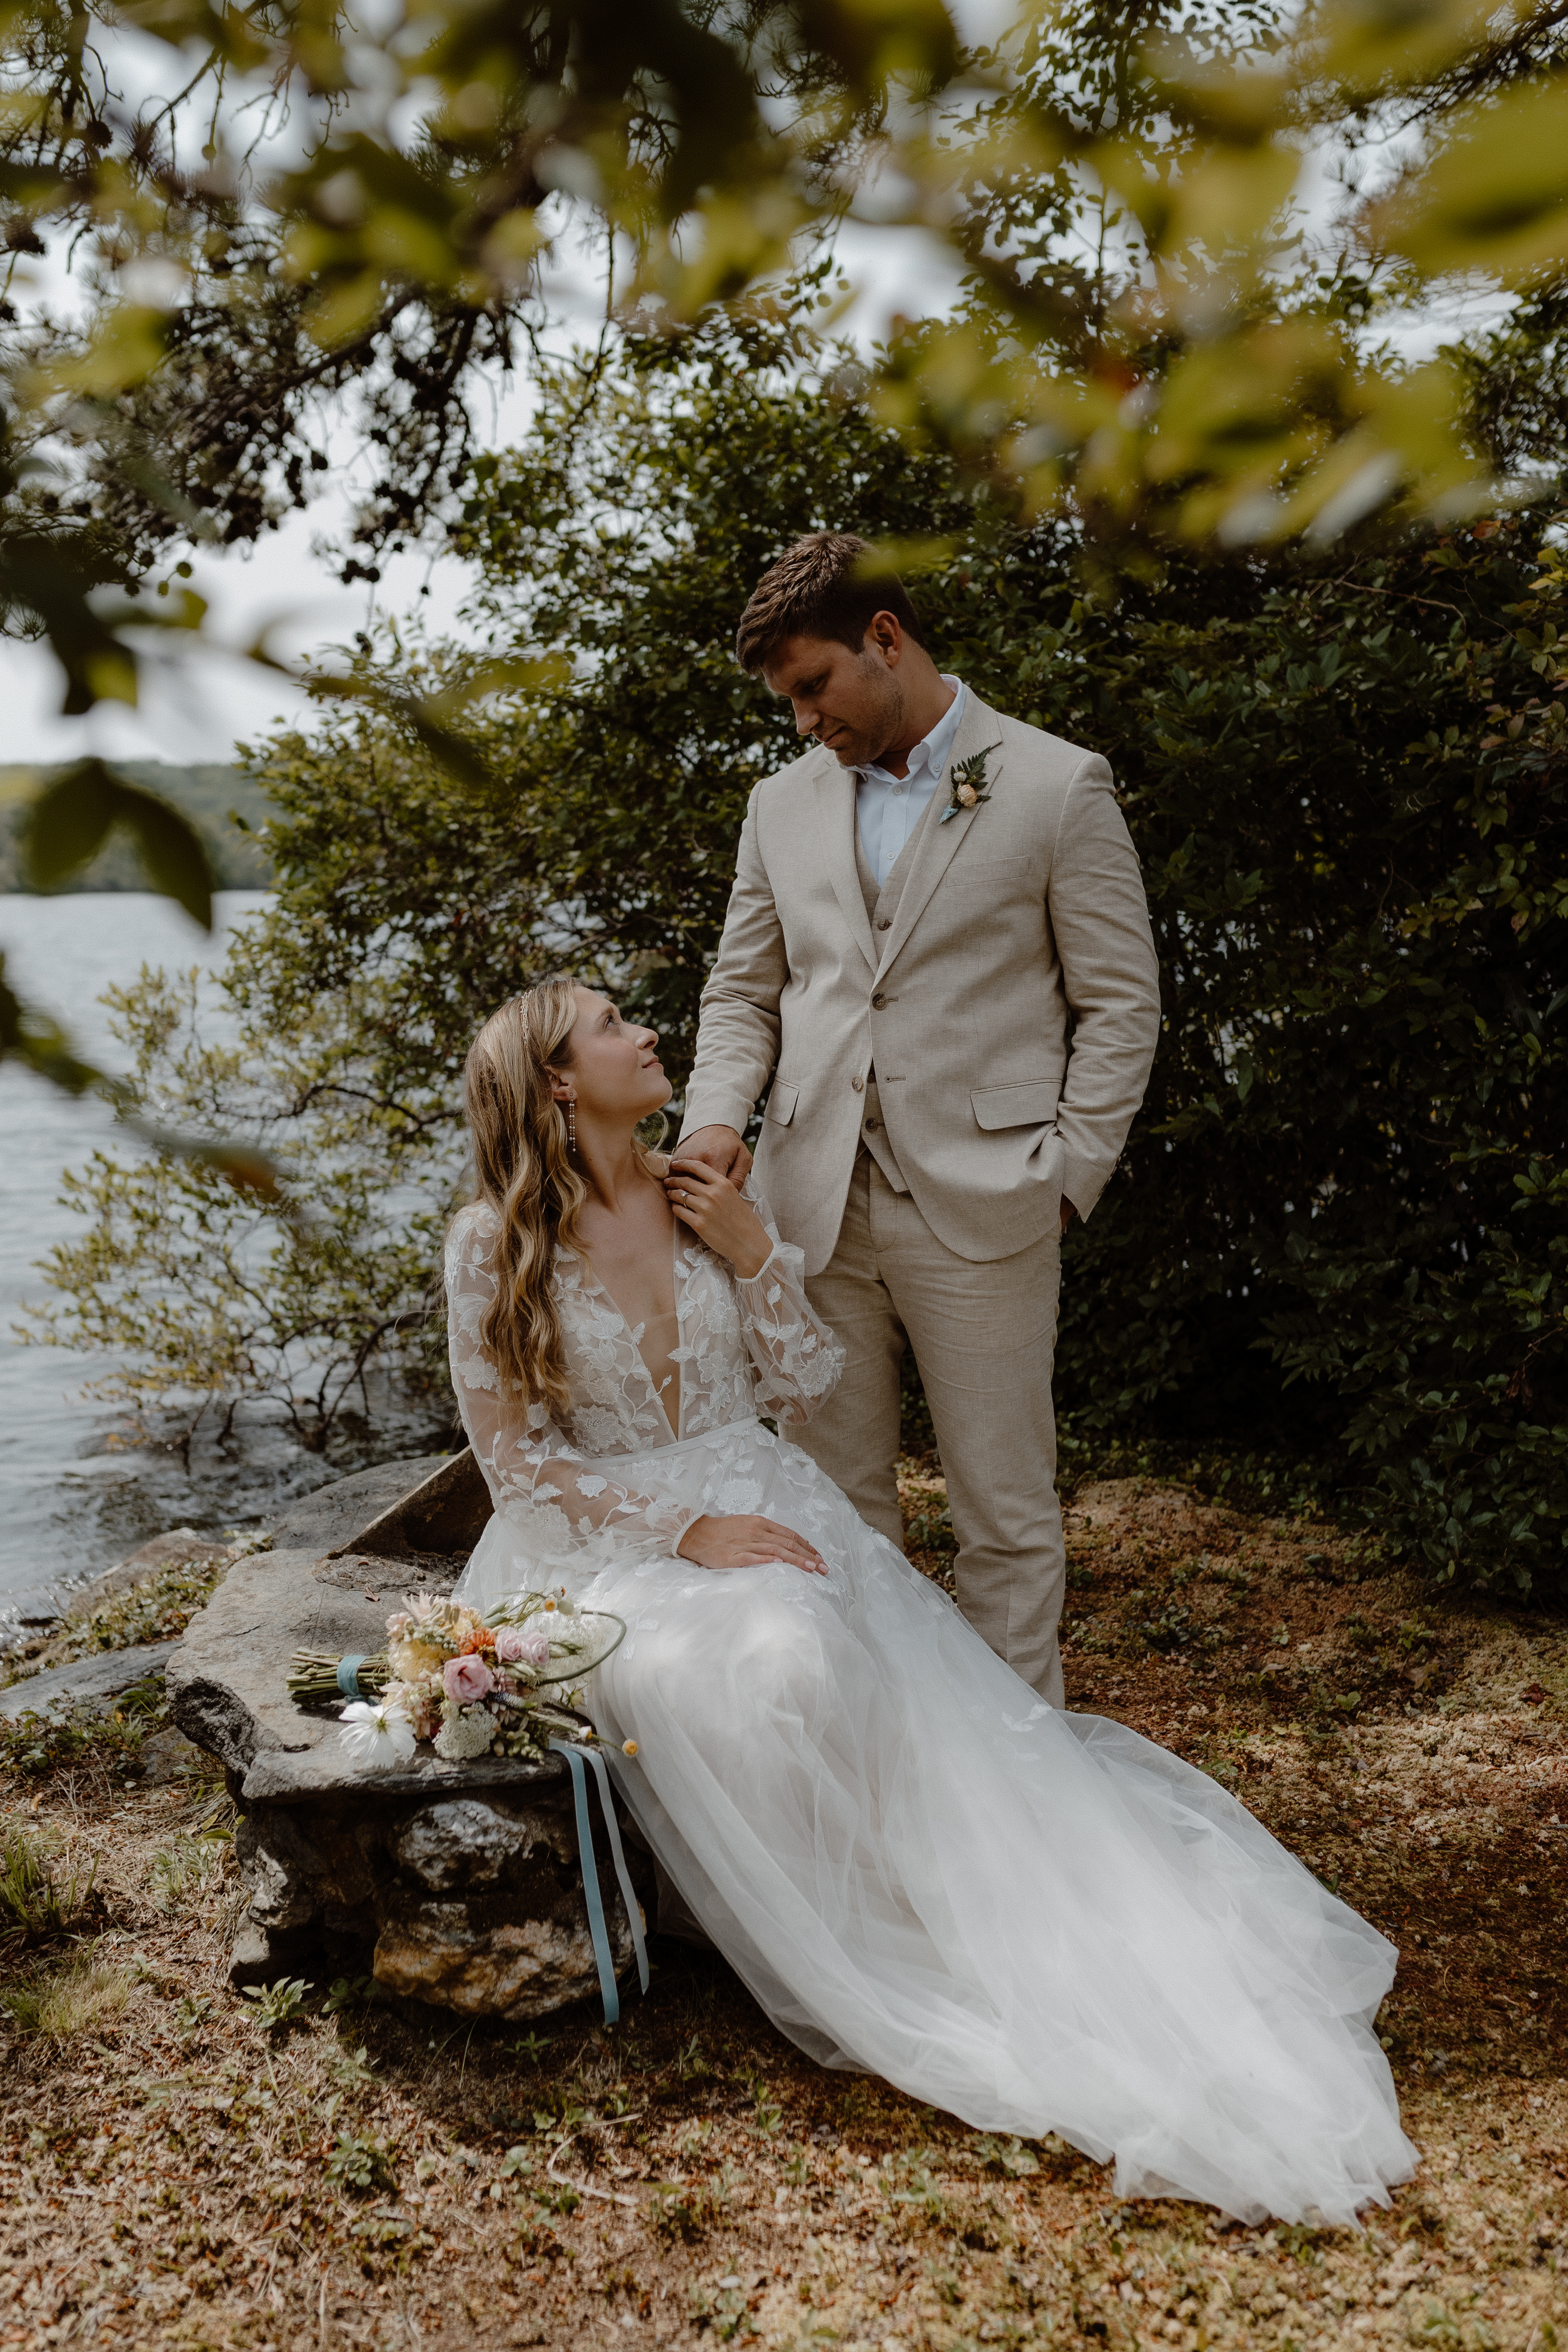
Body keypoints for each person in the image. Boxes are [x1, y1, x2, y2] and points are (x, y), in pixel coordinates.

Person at [446, 979, 1416, 2226]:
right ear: (556, 1081)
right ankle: (818, 1931)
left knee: (841, 1654)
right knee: (755, 1665)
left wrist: (753, 1253)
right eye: (611, 1024)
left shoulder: (702, 1194)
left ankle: (935, 1906)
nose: (646, 1032)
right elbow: (514, 1466)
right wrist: (687, 1532)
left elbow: (803, 1380)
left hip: (762, 1488)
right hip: (603, 1544)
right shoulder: (491, 1243)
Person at [675, 532, 1162, 1710]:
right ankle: (877, 1761)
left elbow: (1120, 1004)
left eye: (813, 688)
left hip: (991, 1199)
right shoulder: (778, 806)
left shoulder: (1056, 784)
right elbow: (742, 992)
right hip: (807, 1206)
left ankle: (1024, 1778)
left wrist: (1068, 1173)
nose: (804, 723)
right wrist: (714, 1119)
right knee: (836, 1513)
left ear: (884, 639)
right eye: (787, 703)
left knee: (1005, 1514)